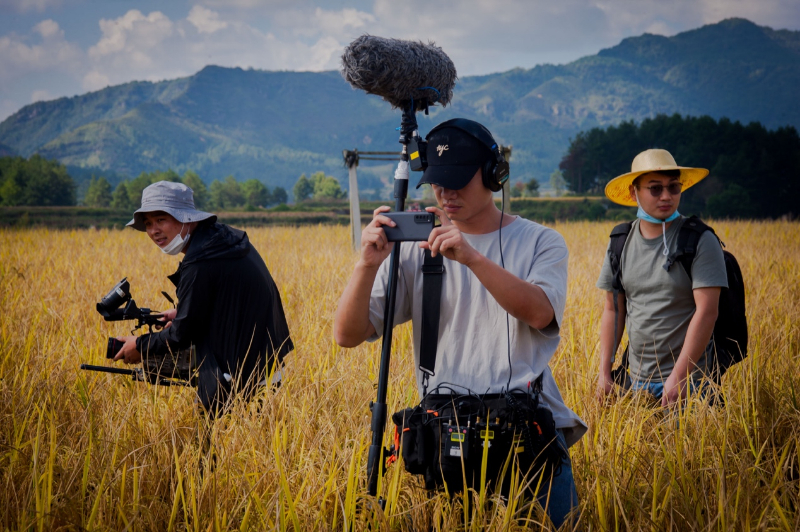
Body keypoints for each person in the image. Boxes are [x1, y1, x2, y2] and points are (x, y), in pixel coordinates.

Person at [334, 118, 586, 527]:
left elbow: (540, 312)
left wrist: (471, 257)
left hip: (525, 435)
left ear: (492, 174)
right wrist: (366, 265)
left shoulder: (540, 241)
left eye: (457, 182)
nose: (446, 194)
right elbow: (347, 334)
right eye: (437, 183)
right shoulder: (416, 250)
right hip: (446, 438)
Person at [114, 181, 293, 414]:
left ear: (186, 218)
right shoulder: (224, 240)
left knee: (217, 437)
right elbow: (230, 298)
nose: (153, 230)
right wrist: (183, 312)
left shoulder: (200, 262)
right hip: (267, 366)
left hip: (237, 378)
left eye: (161, 219)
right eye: (148, 223)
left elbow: (181, 335)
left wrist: (140, 345)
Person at [595, 149, 728, 406]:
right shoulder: (620, 243)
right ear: (634, 192)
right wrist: (604, 372)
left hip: (691, 382)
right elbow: (612, 309)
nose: (666, 196)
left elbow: (707, 311)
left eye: (673, 187)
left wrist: (679, 377)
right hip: (636, 383)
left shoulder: (700, 240)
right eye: (655, 189)